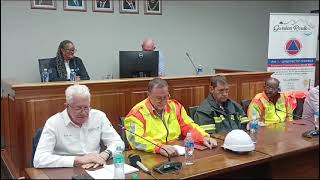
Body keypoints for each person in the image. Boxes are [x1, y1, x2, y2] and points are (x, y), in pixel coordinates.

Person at [33, 84, 124, 168]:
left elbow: (118, 143)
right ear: (67, 106)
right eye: (78, 108)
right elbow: (39, 159)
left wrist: (104, 155)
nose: (83, 113)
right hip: (66, 170)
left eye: (86, 107)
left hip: (96, 167)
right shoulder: (54, 122)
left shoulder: (98, 117)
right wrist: (79, 160)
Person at [124, 78, 217, 157]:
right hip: (149, 154)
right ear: (148, 94)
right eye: (159, 98)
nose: (163, 101)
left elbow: (188, 126)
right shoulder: (136, 114)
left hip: (174, 152)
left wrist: (203, 137)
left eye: (165, 97)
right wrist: (158, 147)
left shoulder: (175, 106)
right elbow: (136, 140)